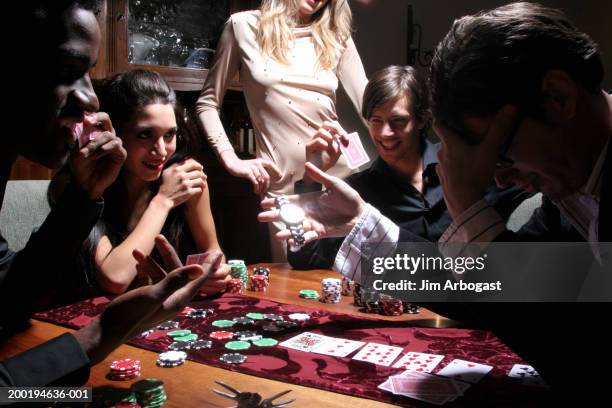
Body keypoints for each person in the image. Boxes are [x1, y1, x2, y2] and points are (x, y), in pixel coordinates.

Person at [258, 2, 611, 400]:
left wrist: (471, 211)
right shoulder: (566, 190)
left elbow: (578, 357)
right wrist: (360, 221)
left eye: (499, 152)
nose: (499, 176)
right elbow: (487, 292)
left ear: (558, 98)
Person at [0, 0, 217, 387]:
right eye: (69, 70)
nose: (89, 99)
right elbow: (114, 278)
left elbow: (7, 302)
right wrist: (102, 334)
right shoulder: (88, 183)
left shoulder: (93, 186)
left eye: (169, 136)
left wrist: (85, 195)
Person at [288, 65, 529, 270]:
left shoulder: (466, 171)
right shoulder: (356, 191)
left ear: (423, 119)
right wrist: (311, 178)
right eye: (376, 121)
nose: (384, 133)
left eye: (397, 121)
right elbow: (303, 258)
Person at [196, 0, 368, 260]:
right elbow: (207, 103)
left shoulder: (335, 34)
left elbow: (371, 104)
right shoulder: (243, 26)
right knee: (295, 281)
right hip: (283, 185)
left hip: (339, 175)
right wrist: (231, 158)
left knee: (350, 282)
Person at [49, 69, 230, 299]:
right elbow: (115, 278)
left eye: (169, 135)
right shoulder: (76, 183)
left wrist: (216, 274)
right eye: (145, 135)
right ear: (114, 133)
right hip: (76, 318)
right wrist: (163, 200)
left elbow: (213, 253)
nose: (161, 151)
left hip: (156, 317)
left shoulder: (185, 176)